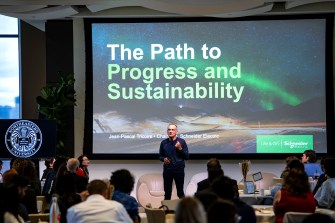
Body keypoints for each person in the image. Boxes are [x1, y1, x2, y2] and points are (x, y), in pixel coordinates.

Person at [66, 179, 133, 223]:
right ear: (106, 192)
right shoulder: (117, 207)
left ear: (87, 192)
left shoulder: (74, 209)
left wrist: (83, 202)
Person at [159, 124, 189, 200]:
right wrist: (163, 159)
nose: (170, 131)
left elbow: (187, 157)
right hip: (167, 170)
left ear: (176, 131)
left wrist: (180, 148)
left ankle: (183, 211)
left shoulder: (181, 142)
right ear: (167, 131)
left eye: (172, 130)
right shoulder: (163, 143)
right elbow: (160, 156)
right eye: (169, 129)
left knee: (180, 192)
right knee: (167, 193)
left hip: (179, 170)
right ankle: (166, 211)